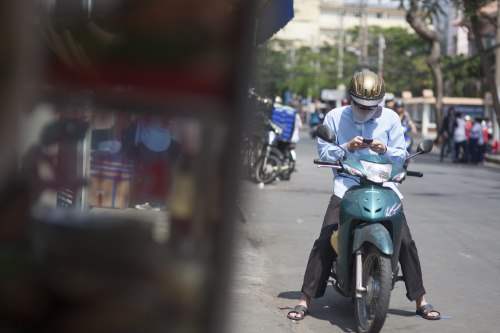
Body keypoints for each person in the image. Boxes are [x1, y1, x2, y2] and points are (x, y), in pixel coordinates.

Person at [287, 70, 441, 322]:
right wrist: (347, 147)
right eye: (360, 104)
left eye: (371, 106)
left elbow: (402, 155)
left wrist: (386, 149)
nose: (365, 109)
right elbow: (324, 152)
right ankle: (305, 299)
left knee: (405, 241)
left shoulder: (390, 118)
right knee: (325, 238)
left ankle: (420, 299)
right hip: (347, 187)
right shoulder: (335, 117)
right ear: (351, 99)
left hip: (384, 186)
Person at [134, 115, 172, 211]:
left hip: (149, 142)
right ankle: (160, 202)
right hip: (164, 143)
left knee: (148, 172)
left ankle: (149, 202)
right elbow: (169, 123)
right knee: (161, 174)